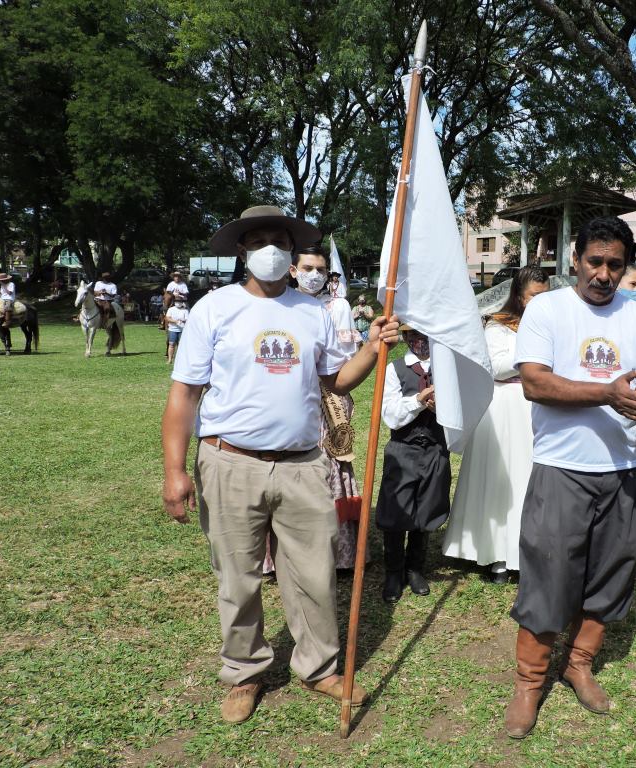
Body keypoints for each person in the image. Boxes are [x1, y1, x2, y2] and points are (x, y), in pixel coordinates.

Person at [161, 204, 400, 724]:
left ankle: (318, 668)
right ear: (242, 250)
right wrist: (175, 471)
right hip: (229, 462)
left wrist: (374, 347)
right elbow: (184, 396)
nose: (271, 249)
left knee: (314, 572)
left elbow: (336, 380)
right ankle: (244, 672)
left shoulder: (312, 312)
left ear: (292, 254)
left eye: (281, 240)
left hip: (303, 463)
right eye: (260, 240)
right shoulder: (213, 309)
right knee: (239, 576)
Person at [504, 217, 636, 739]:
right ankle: (529, 682)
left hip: (623, 470)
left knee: (611, 572)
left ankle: (578, 664)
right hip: (562, 468)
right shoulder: (547, 310)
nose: (603, 273)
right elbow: (535, 383)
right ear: (575, 259)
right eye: (595, 261)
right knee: (549, 574)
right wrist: (606, 392)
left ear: (627, 268)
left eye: (615, 265)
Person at [442, 266, 549, 583]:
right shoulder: (498, 326)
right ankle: (497, 555)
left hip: (536, 409)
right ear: (519, 295)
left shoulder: (549, 326)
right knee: (501, 483)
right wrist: (529, 355)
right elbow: (495, 367)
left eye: (544, 297)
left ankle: (528, 550)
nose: (539, 303)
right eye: (534, 297)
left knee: (529, 480)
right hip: (505, 407)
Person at [288, 244, 365, 570]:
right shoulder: (283, 305)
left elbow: (346, 361)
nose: (315, 276)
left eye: (321, 271)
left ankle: (340, 555)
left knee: (332, 464)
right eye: (308, 269)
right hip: (291, 399)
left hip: (329, 395)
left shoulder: (339, 307)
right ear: (293, 271)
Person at [375, 325, 450, 604]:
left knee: (427, 507)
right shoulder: (396, 369)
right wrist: (419, 400)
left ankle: (415, 568)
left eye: (425, 335)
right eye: (414, 335)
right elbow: (392, 417)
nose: (421, 341)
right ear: (406, 337)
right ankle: (393, 571)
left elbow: (459, 411)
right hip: (403, 449)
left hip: (435, 448)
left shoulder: (446, 368)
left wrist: (443, 406)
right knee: (396, 511)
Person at [164, 296, 188, 365]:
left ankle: (180, 361)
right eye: (177, 302)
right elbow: (167, 318)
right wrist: (175, 321)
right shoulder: (171, 309)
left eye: (180, 302)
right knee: (171, 344)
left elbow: (188, 319)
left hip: (182, 330)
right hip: (172, 330)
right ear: (174, 302)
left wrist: (183, 320)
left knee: (181, 345)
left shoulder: (185, 310)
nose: (178, 303)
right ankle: (170, 360)